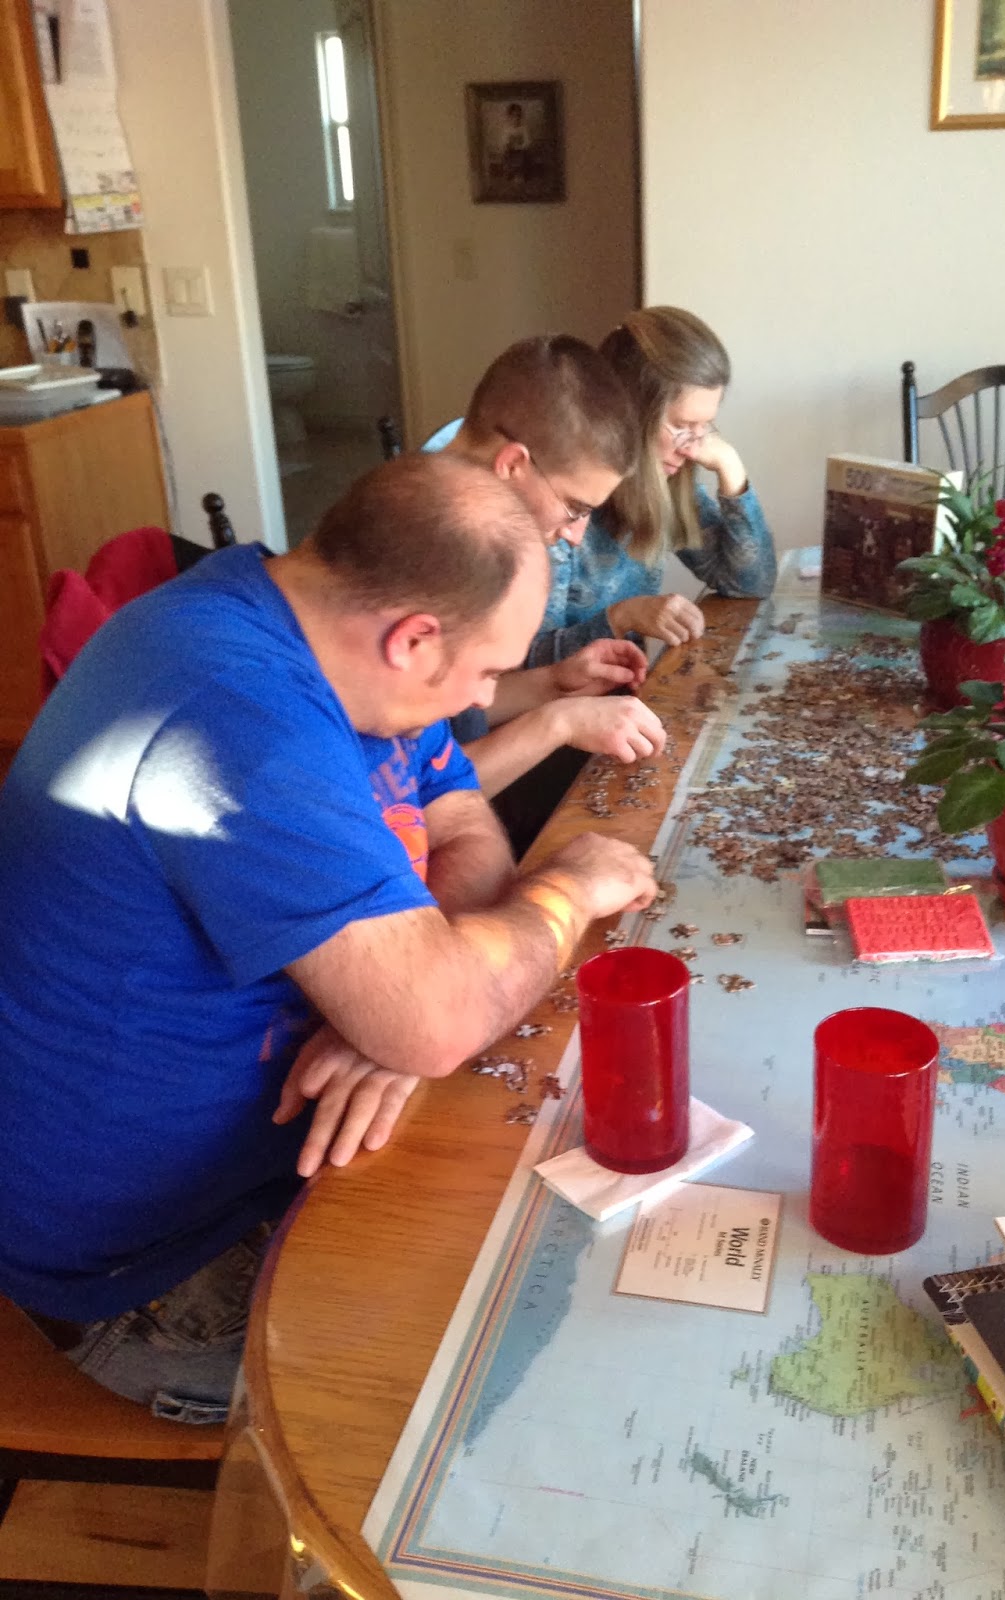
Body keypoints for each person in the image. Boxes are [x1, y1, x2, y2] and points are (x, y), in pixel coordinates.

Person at [0, 453, 656, 1421]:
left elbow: (461, 820)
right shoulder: (236, 717)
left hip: (273, 1163)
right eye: (486, 671)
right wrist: (564, 889)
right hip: (153, 1276)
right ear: (413, 638)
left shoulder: (316, 624)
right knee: (551, 1369)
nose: (481, 698)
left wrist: (401, 999)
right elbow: (438, 1018)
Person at [425, 335, 667, 837]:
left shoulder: (465, 521)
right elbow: (416, 805)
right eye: (575, 508)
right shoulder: (418, 556)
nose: (576, 535)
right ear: (513, 465)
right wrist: (559, 721)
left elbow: (456, 713)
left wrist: (553, 682)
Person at [524, 306, 777, 666]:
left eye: (704, 427)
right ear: (630, 415)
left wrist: (731, 471)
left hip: (627, 691)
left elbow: (750, 584)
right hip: (558, 699)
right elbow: (522, 668)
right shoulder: (563, 508)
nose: (691, 448)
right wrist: (622, 617)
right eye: (682, 426)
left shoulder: (667, 484)